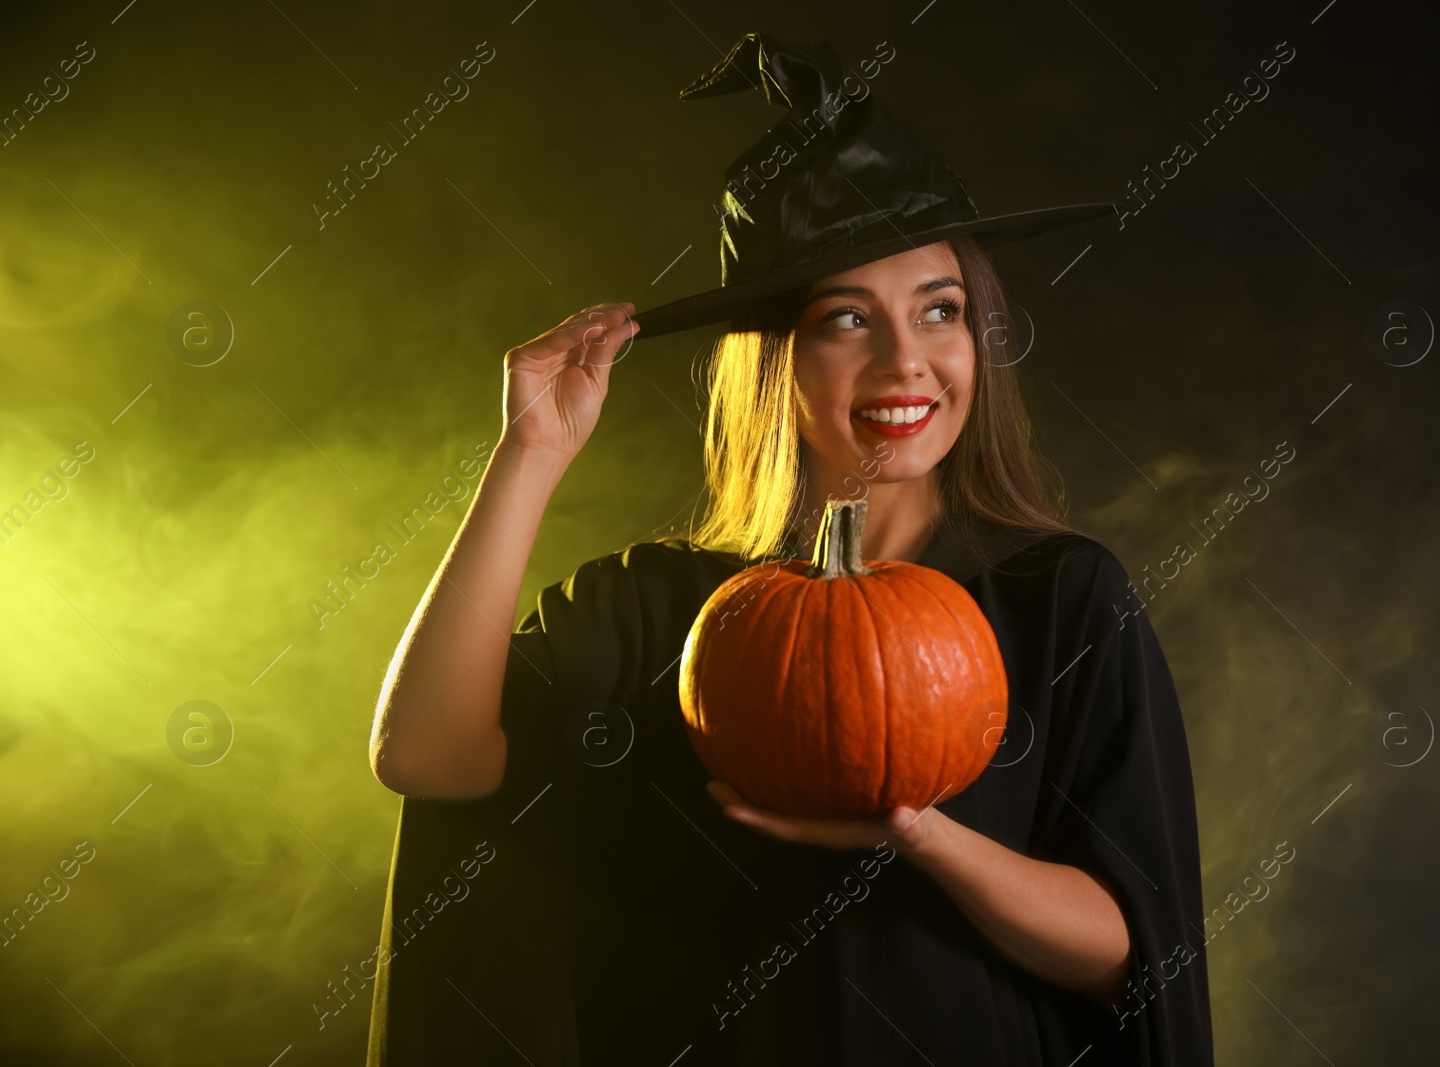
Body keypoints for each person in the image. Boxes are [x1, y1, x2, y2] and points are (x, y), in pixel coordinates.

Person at [365, 32, 1212, 1067]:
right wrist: (530, 453)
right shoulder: (650, 605)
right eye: (846, 318)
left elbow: (1130, 956)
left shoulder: (1062, 596)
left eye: (938, 310)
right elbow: (424, 757)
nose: (907, 359)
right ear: (775, 362)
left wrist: (922, 834)